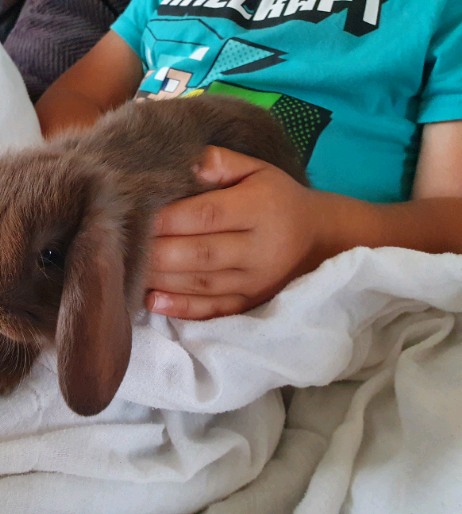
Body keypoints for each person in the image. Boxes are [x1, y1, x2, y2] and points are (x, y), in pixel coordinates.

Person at [34, 0, 462, 321]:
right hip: (89, 255)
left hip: (302, 303)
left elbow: (452, 217)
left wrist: (320, 236)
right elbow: (74, 97)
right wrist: (98, 177)